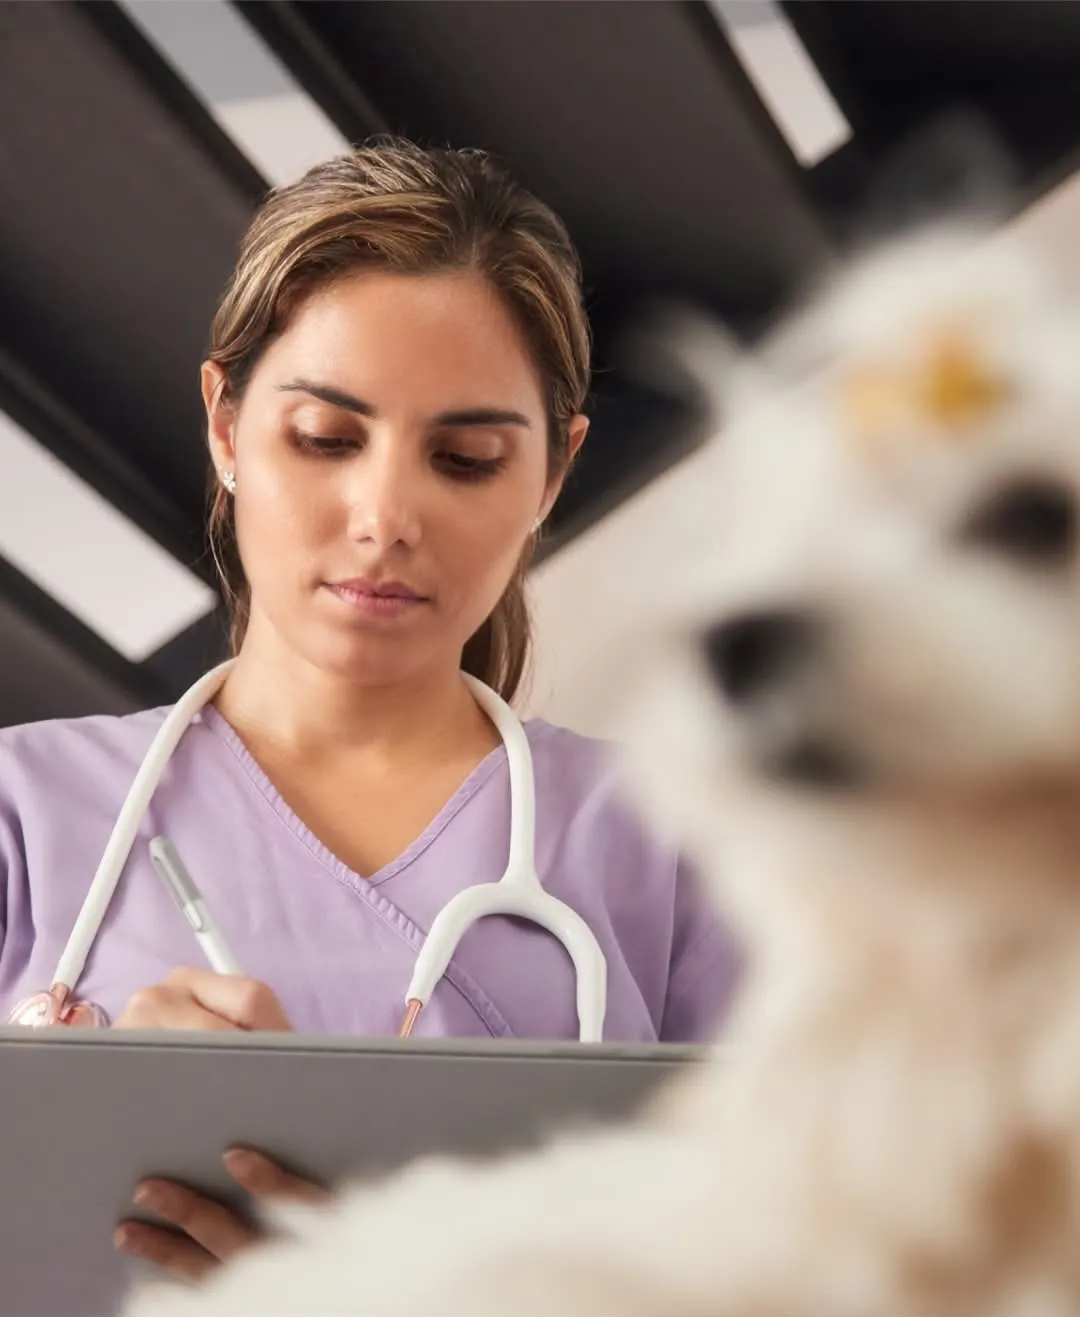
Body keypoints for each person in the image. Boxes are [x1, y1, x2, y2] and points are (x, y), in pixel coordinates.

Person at [0, 140, 741, 1280]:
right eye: (326, 440)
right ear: (224, 423)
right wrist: (83, 1110)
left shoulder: (679, 847)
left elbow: (831, 1265)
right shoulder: (24, 818)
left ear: (551, 474)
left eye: (466, 458)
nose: (385, 515)